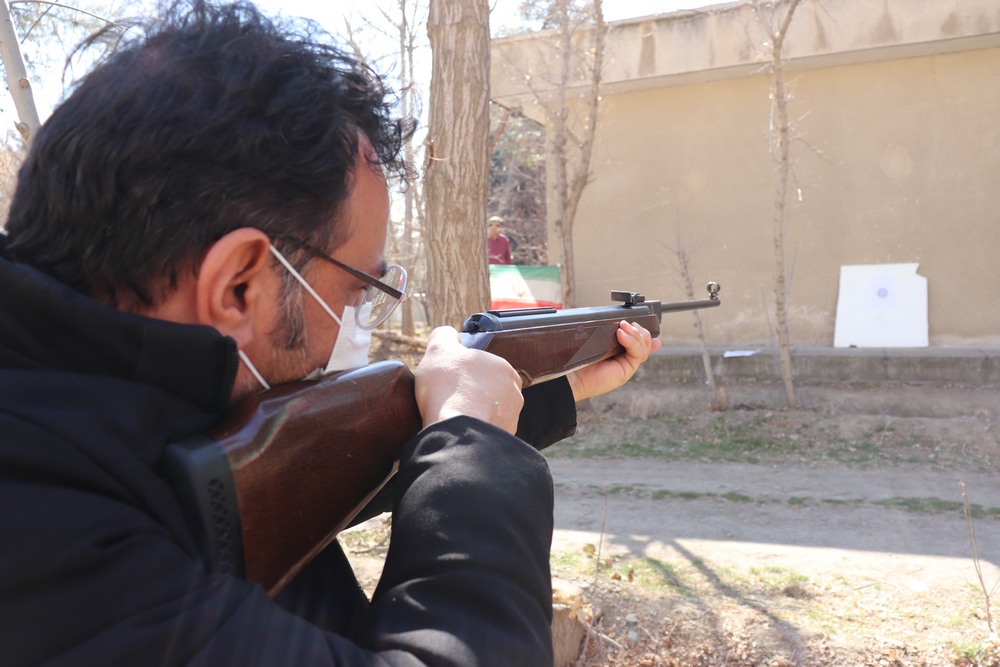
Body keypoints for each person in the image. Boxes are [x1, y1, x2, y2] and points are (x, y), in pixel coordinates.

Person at [0, 2, 660, 665]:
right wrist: (474, 447)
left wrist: (541, 392)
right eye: (356, 288)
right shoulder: (51, 540)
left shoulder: (87, 415)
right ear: (238, 285)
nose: (358, 317)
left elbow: (311, 471)